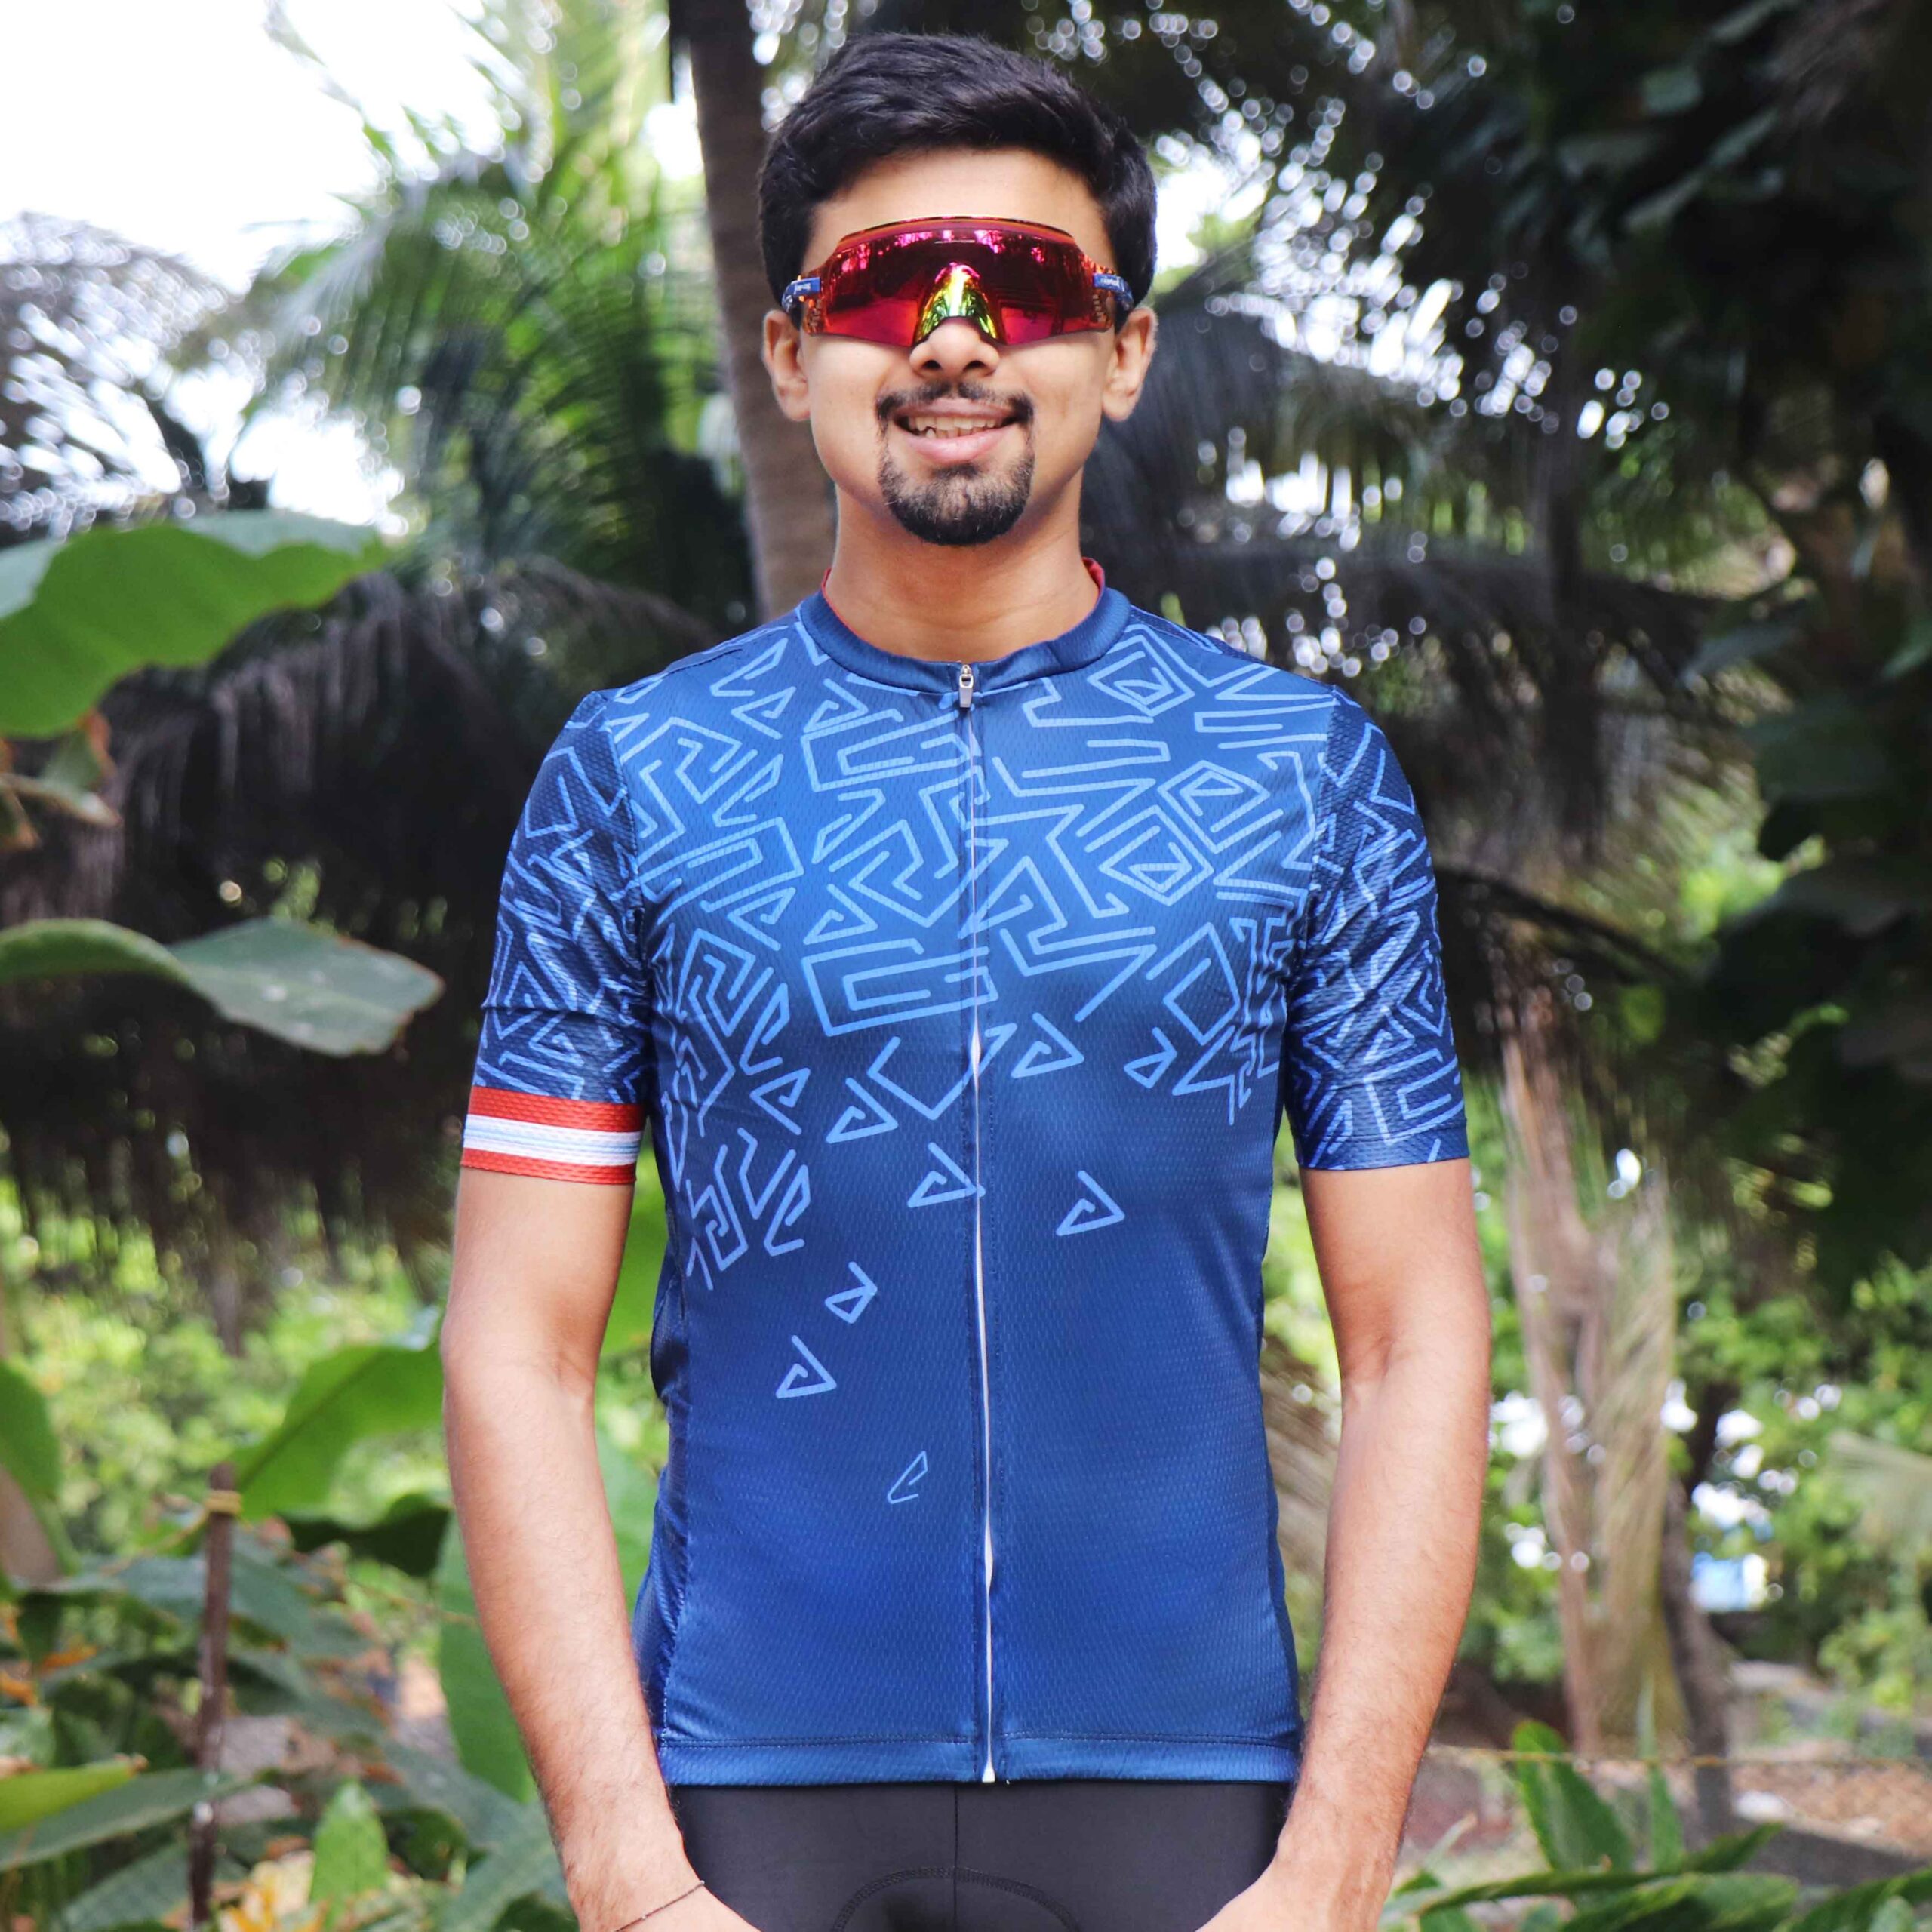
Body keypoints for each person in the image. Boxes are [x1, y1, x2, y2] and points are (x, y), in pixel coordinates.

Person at [441, 29, 1491, 1932]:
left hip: (1195, 1810)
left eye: (1019, 280)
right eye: (875, 286)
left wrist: (1332, 1869)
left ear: (1121, 348)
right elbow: (515, 1338)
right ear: (790, 353)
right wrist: (626, 1873)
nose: (949, 337)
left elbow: (1416, 1331)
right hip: (741, 1804)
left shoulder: (1298, 775)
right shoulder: (633, 777)